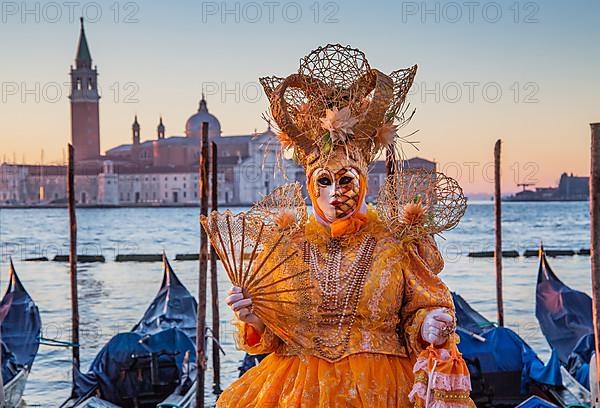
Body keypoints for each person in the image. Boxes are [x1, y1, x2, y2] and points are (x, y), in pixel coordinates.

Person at [215, 44, 473, 407]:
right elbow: (273, 337)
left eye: (346, 180)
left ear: (363, 181)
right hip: (296, 388)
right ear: (309, 183)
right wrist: (253, 317)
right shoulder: (285, 244)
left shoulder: (396, 240)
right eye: (323, 181)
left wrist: (430, 322)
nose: (335, 192)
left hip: (383, 388)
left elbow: (422, 307)